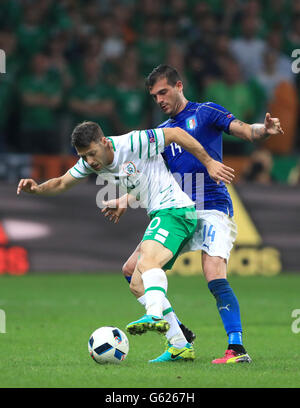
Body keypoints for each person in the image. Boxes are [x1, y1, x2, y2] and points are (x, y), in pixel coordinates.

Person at [103, 64, 283, 364]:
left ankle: (237, 349)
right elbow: (154, 179)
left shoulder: (207, 112)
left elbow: (244, 131)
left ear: (179, 86)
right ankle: (179, 338)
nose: (160, 100)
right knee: (132, 272)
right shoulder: (162, 133)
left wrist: (263, 130)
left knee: (213, 274)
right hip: (178, 211)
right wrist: (124, 198)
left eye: (163, 92)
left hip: (213, 207)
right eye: (154, 96)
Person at [17, 120, 235, 363]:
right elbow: (60, 183)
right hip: (162, 213)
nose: (90, 161)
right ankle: (179, 344)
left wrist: (209, 162)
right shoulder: (91, 163)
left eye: (91, 153)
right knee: (133, 274)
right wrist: (36, 189)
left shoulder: (134, 142)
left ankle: (154, 314)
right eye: (83, 156)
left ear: (104, 142)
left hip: (175, 210)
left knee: (149, 261)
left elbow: (174, 133)